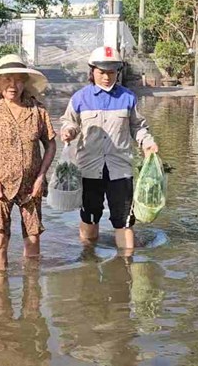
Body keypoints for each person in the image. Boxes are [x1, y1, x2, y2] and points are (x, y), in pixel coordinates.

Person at [60, 46, 158, 253]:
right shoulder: (80, 98)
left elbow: (137, 127)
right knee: (90, 217)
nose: (106, 77)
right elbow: (70, 122)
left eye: (111, 72)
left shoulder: (128, 97)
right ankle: (88, 261)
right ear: (92, 71)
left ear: (118, 72)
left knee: (124, 221)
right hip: (89, 168)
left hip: (120, 169)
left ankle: (126, 267)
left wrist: (147, 143)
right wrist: (68, 131)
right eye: (101, 72)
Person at [0, 54, 57, 272]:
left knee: (33, 239)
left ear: (25, 83)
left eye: (18, 80)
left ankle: (32, 290)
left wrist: (41, 176)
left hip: (31, 186)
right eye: (7, 79)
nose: (13, 85)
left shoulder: (37, 110)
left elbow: (51, 145)